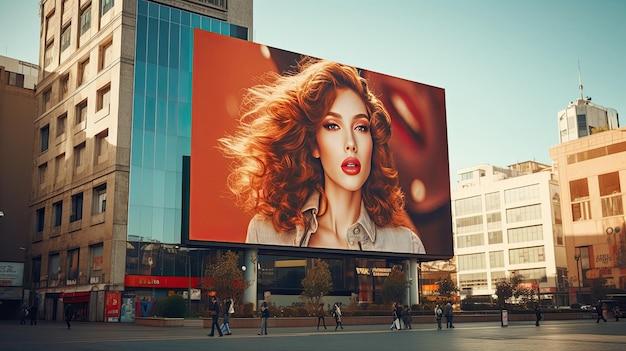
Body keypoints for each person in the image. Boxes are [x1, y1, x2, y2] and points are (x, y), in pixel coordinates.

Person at [219, 58, 426, 254]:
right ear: (313, 145)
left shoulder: (406, 243)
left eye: (361, 127)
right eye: (333, 126)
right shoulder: (265, 233)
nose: (351, 144)